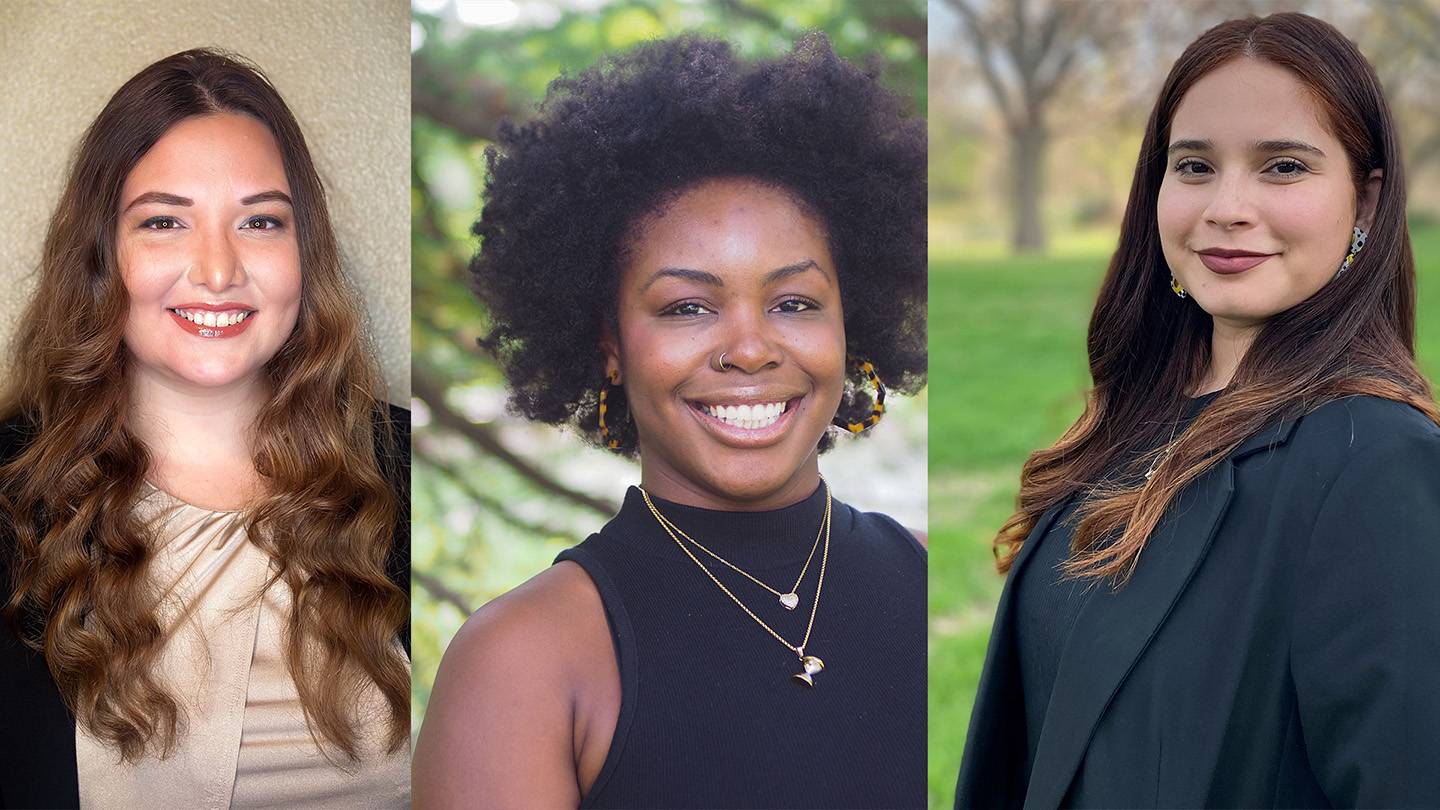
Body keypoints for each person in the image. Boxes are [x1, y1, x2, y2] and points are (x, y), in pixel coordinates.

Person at [413, 33, 928, 809]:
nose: (751, 349)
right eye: (687, 307)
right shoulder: (524, 661)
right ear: (610, 345)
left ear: (851, 323)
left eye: (795, 303)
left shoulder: (934, 583)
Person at [956, 12, 1440, 808]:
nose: (1227, 207)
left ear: (1366, 200)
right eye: (1194, 166)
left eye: (1283, 166)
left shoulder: (1374, 461)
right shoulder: (1130, 427)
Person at [0, 49, 410, 808]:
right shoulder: (9, 494)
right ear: (102, 256)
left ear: (302, 253)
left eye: (260, 221)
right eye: (164, 221)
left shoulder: (415, 471)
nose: (218, 271)